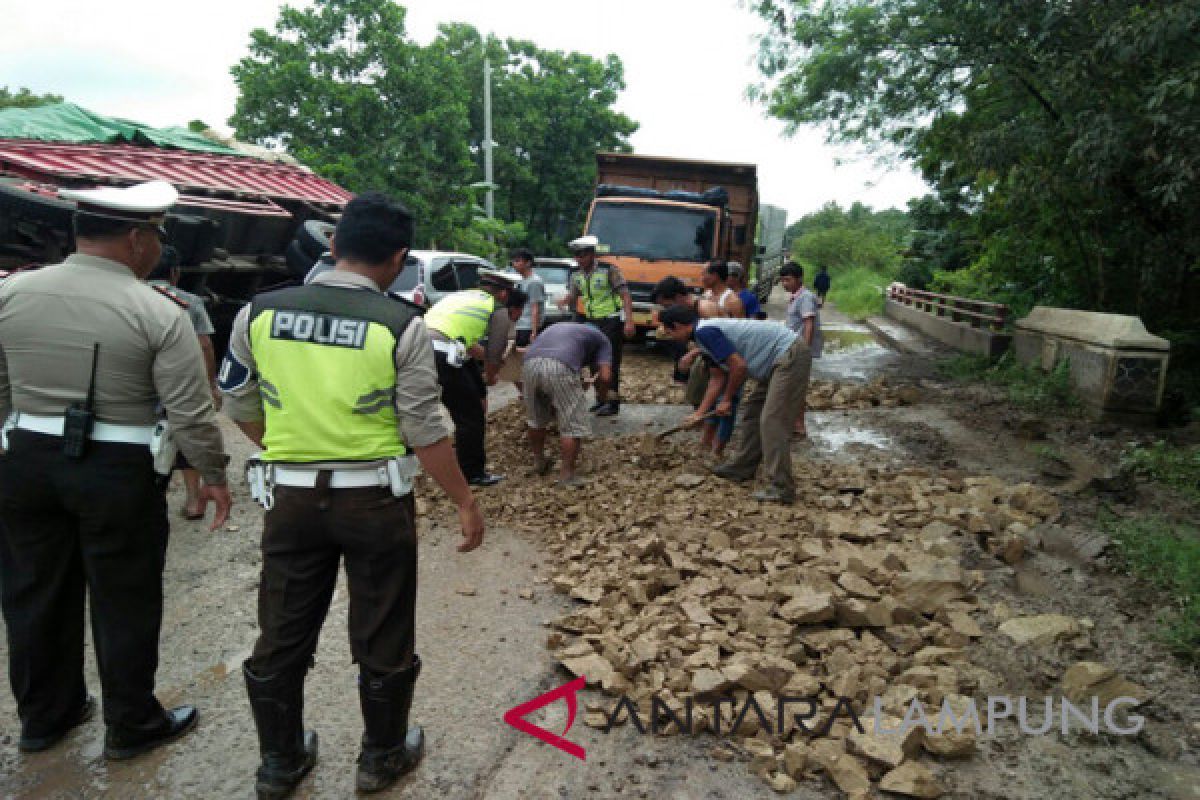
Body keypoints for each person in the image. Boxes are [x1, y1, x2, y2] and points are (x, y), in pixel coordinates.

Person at [220, 191, 486, 798]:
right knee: (383, 624)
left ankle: (279, 764)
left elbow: (236, 400)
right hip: (373, 503)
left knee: (282, 627)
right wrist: (465, 501)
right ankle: (380, 758)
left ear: (333, 245)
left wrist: (288, 447)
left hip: (288, 500)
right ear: (399, 258)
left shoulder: (258, 311)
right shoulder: (401, 323)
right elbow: (424, 429)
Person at [0, 180, 231, 759]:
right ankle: (131, 724)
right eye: (156, 233)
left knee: (32, 591)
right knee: (123, 597)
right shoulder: (158, 310)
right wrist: (214, 473)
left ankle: (44, 718)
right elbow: (188, 408)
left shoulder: (13, 293)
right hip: (117, 469)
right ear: (135, 240)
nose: (156, 245)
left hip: (24, 459)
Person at [657, 305, 811, 505]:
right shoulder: (703, 339)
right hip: (774, 362)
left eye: (670, 333)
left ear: (679, 326)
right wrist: (699, 414)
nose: (671, 337)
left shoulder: (705, 332)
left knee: (772, 421)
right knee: (753, 413)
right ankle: (743, 467)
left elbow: (738, 366)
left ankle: (782, 487)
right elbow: (717, 379)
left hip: (789, 354)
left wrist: (727, 399)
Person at [426, 271, 527, 487]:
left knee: (472, 401)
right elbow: (493, 354)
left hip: (421, 347)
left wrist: (485, 378)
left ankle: (459, 458)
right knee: (470, 416)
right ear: (502, 293)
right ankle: (472, 473)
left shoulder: (458, 297)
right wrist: (492, 375)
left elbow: (469, 343)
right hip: (445, 355)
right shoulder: (497, 309)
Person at [147, 247, 223, 520]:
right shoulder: (189, 302)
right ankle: (193, 500)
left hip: (142, 386)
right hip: (181, 383)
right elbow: (205, 346)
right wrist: (210, 385)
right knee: (188, 434)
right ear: (175, 274)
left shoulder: (129, 299)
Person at [521, 322, 613, 486]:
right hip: (560, 365)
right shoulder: (603, 340)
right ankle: (567, 475)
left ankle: (539, 463)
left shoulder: (560, 327)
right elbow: (605, 377)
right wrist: (603, 396)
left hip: (529, 364)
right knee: (572, 422)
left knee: (536, 418)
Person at [557, 235, 633, 416]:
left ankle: (613, 402)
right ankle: (601, 399)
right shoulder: (576, 274)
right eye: (576, 256)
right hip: (590, 321)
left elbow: (625, 295)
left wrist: (629, 321)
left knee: (610, 361)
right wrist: (564, 301)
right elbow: (573, 296)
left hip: (610, 320)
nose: (579, 259)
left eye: (582, 255)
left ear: (592, 254)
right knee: (592, 361)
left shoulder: (609, 270)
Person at [780, 262, 823, 438]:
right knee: (793, 386)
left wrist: (804, 349)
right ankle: (795, 424)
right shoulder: (796, 297)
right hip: (794, 347)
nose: (784, 283)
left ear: (799, 279)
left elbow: (808, 323)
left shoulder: (805, 297)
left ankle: (798, 426)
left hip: (799, 350)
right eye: (782, 280)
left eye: (788, 279)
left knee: (796, 387)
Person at [510, 247, 544, 348]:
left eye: (517, 261)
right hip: (520, 325)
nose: (514, 264)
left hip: (528, 326)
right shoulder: (520, 280)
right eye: (513, 261)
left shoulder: (534, 282)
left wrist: (534, 332)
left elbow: (535, 308)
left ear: (528, 263)